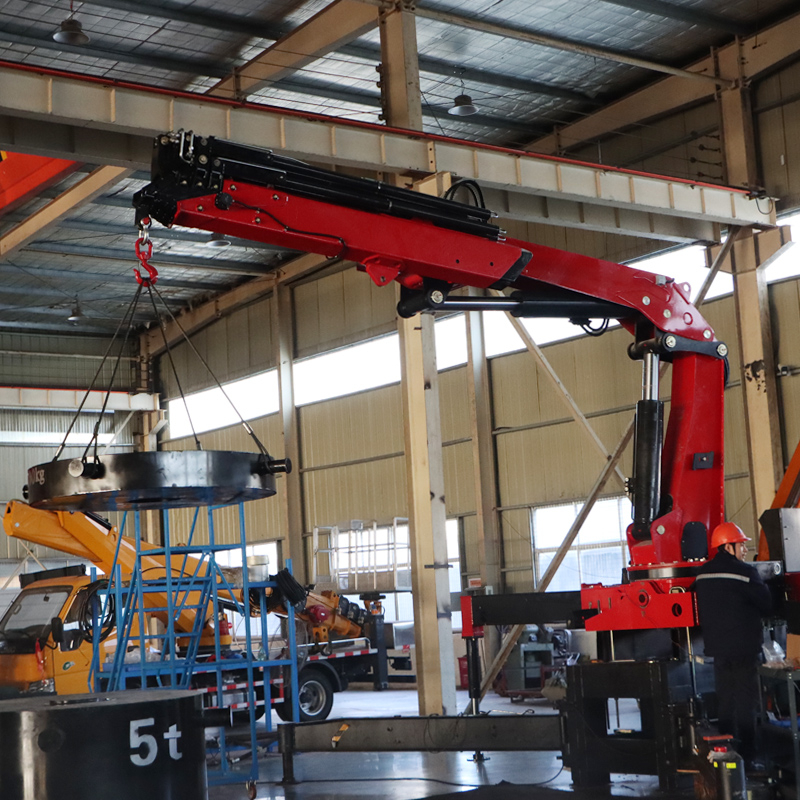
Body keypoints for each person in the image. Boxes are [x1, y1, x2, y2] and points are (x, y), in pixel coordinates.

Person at [694, 521, 773, 765]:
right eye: (741, 545)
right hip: (744, 649)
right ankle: (748, 756)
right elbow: (767, 604)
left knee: (726, 701)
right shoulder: (745, 573)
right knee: (747, 702)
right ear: (727, 546)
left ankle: (727, 753)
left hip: (718, 650)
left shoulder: (702, 574)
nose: (745, 550)